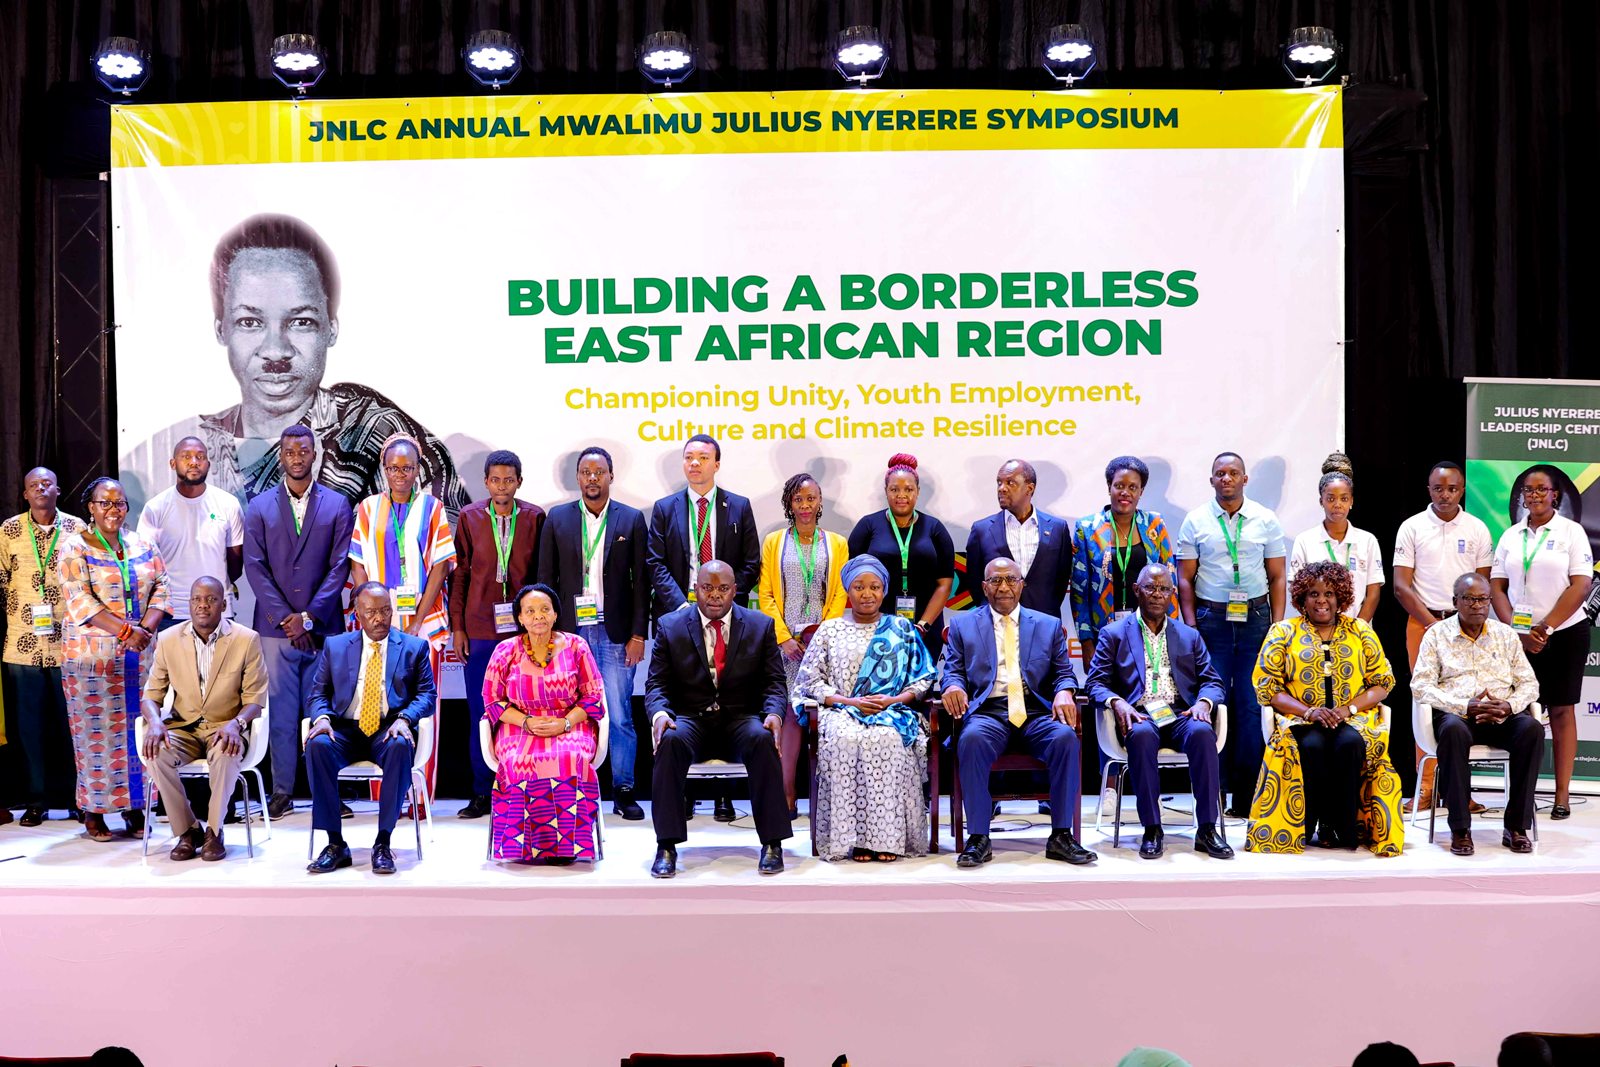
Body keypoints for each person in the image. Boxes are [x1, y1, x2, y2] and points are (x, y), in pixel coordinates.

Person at [119, 213, 467, 517]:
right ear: (221, 329)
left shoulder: (370, 430)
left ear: (331, 329)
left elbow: (441, 535)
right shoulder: (194, 443)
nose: (275, 351)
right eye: (250, 322)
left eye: (300, 322)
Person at [941, 557, 1096, 868]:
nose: (1004, 587)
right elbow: (953, 671)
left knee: (1065, 738)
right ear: (983, 588)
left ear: (1022, 584)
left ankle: (1062, 835)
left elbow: (1064, 673)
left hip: (1035, 711)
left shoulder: (1048, 625)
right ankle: (979, 838)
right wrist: (953, 687)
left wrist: (1065, 690)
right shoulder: (962, 624)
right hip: (989, 711)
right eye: (996, 581)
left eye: (1011, 580)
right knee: (970, 740)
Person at [646, 561, 791, 877]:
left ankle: (772, 843)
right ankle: (667, 846)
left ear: (734, 590)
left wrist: (774, 715)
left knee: (762, 737)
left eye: (723, 588)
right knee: (669, 740)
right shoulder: (671, 626)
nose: (715, 595)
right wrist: (659, 714)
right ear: (696, 589)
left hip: (739, 719)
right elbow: (657, 683)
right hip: (691, 720)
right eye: (707, 588)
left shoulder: (760, 625)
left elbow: (774, 682)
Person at [1249, 560, 1402, 855]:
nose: (1322, 601)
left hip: (1353, 719)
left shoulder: (1360, 630)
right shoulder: (1283, 632)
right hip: (1300, 719)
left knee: (1349, 744)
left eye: (1329, 594)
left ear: (1340, 597)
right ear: (1302, 599)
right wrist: (1308, 712)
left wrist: (1348, 710)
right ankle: (1304, 825)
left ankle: (1340, 827)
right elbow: (1267, 686)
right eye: (1314, 594)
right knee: (1313, 745)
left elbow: (1383, 682)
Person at [242, 425, 354, 818]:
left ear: (314, 454)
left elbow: (340, 567)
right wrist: (288, 619)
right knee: (281, 714)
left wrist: (308, 617)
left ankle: (327, 793)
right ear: (281, 455)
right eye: (289, 451)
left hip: (323, 628)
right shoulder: (258, 507)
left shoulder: (338, 505)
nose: (296, 457)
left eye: (303, 451)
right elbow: (254, 569)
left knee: (325, 713)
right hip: (275, 629)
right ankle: (282, 793)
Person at [795, 554, 936, 861]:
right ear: (848, 590)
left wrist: (894, 701)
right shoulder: (830, 630)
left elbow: (924, 678)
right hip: (842, 712)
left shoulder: (901, 628)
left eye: (874, 587)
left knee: (885, 739)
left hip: (892, 711)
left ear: (884, 590)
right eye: (859, 587)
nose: (867, 593)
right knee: (846, 741)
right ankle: (855, 839)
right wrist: (849, 701)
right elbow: (809, 682)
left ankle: (887, 840)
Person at [1086, 564, 1233, 859]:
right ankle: (1152, 828)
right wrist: (1118, 702)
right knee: (1140, 736)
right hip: (1138, 713)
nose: (1157, 594)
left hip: (1180, 714)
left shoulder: (1188, 635)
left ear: (1172, 595)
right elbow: (1095, 683)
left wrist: (1203, 704)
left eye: (1164, 589)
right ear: (1137, 591)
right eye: (1150, 588)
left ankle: (1206, 829)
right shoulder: (1114, 633)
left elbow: (1212, 682)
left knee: (1203, 733)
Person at [537, 446, 650, 821]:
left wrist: (638, 633)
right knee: (567, 709)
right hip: (570, 632)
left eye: (599, 472)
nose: (592, 478)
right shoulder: (558, 518)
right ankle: (571, 785)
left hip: (616, 632)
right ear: (578, 478)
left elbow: (641, 582)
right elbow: (546, 582)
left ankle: (623, 789)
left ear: (610, 477)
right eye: (586, 472)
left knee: (618, 715)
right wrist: (547, 635)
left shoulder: (631, 519)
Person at [56, 478, 171, 842]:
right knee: (96, 738)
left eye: (119, 503)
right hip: (92, 663)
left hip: (139, 660)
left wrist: (147, 630)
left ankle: (135, 808)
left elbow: (162, 586)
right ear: (90, 507)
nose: (113, 510)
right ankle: (93, 811)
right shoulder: (74, 547)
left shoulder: (141, 543)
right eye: (104, 503)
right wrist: (126, 632)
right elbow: (80, 602)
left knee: (139, 735)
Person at [1175, 451, 1287, 818]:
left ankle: (1249, 795)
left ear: (1244, 479)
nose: (1227, 479)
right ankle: (1215, 794)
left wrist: (1277, 626)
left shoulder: (1265, 520)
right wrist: (1191, 625)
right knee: (1214, 704)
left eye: (1233, 473)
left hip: (1255, 617)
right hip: (1211, 618)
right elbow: (1184, 579)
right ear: (1211, 481)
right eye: (1220, 473)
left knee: (1252, 705)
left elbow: (1277, 577)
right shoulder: (1196, 520)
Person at [1071, 455, 1179, 816]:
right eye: (1120, 485)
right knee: (1110, 702)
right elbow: (1081, 589)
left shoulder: (1155, 526)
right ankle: (1112, 785)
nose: (1125, 493)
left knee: (1150, 694)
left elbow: (1168, 582)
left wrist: (1172, 635)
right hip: (1107, 633)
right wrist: (1087, 639)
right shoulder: (1088, 528)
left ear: (1142, 491)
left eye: (1133, 487)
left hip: (1150, 630)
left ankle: (1151, 785)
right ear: (1109, 487)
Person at [304, 582, 437, 875]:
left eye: (385, 611)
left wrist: (404, 719)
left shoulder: (414, 648)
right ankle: (335, 844)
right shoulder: (336, 646)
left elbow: (428, 696)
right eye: (372, 612)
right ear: (358, 616)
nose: (380, 619)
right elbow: (317, 693)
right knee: (317, 746)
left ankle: (383, 842)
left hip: (387, 729)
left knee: (401, 745)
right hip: (345, 730)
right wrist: (323, 719)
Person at [348, 433, 455, 795]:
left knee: (422, 707)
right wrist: (369, 614)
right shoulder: (367, 508)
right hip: (376, 625)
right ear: (384, 467)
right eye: (393, 467)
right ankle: (384, 794)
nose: (400, 474)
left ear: (417, 468)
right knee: (378, 703)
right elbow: (358, 563)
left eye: (407, 467)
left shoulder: (433, 507)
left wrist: (415, 620)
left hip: (422, 624)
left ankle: (421, 795)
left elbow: (441, 567)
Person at [1412, 574, 1543, 854]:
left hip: (1500, 714)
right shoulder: (1436, 634)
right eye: (1469, 599)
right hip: (1458, 715)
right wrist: (1464, 706)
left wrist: (1509, 706)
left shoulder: (1505, 635)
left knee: (1532, 729)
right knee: (1453, 731)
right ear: (1455, 601)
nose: (1477, 605)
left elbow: (1529, 684)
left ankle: (1517, 827)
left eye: (1483, 599)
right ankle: (1460, 828)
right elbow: (1420, 685)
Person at [1489, 464, 1592, 820]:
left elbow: (1580, 585)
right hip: (1518, 638)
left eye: (1541, 490)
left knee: (1561, 711)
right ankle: (1523, 794)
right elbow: (1496, 587)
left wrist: (1544, 629)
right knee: (1521, 714)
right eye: (1527, 491)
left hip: (1563, 634)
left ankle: (1562, 795)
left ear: (1555, 495)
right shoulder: (1510, 536)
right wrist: (1515, 631)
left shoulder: (1571, 532)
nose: (1533, 496)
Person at [138, 577, 268, 861]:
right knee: (156, 752)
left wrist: (236, 724)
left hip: (226, 728)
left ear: (223, 604)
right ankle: (187, 831)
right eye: (196, 599)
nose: (202, 605)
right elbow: (151, 695)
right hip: (183, 727)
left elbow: (256, 700)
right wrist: (156, 723)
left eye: (210, 600)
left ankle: (214, 831)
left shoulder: (246, 640)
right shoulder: (170, 639)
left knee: (225, 752)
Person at [1391, 460, 1495, 812]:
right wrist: (1433, 623)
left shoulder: (1478, 528)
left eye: (1452, 488)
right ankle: (1424, 788)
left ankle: (1459, 791)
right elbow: (1401, 586)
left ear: (1462, 489)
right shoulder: (1412, 527)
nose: (1445, 495)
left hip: (1468, 627)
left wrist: (1458, 623)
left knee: (1465, 703)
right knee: (1425, 701)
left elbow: (1481, 586)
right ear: (1429, 489)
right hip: (1423, 624)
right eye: (1438, 488)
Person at [481, 583, 606, 863]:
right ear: (520, 618)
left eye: (544, 610)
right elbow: (491, 700)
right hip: (520, 725)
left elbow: (594, 697)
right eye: (530, 611)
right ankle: (521, 847)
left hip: (570, 724)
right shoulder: (505, 651)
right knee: (516, 761)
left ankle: (567, 847)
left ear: (555, 614)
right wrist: (526, 722)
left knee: (570, 757)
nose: (538, 616)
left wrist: (564, 724)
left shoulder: (577, 646)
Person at [449, 450, 543, 820]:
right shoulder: (471, 518)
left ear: (519, 481)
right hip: (480, 630)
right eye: (495, 480)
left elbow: (542, 576)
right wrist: (458, 626)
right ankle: (481, 792)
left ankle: (524, 787)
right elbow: (460, 577)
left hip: (524, 632)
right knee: (482, 713)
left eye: (509, 479)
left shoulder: (536, 518)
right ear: (486, 482)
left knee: (525, 710)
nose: (502, 486)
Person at [0, 467, 87, 825]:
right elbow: (3, 581)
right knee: (29, 728)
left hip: (69, 644)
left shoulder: (77, 529)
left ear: (58, 489)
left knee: (72, 725)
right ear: (24, 494)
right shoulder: (8, 531)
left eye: (47, 483)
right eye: (34, 485)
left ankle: (77, 799)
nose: (41, 489)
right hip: (22, 646)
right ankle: (36, 799)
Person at [759, 472, 849, 815]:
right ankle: (786, 790)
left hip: (823, 646)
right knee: (787, 717)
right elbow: (765, 594)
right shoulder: (774, 542)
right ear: (789, 504)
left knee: (823, 717)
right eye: (798, 499)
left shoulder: (838, 543)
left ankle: (827, 795)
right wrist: (784, 638)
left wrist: (820, 637)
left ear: (820, 502)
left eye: (811, 499)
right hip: (786, 648)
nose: (805, 506)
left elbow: (841, 592)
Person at [847, 453, 955, 664]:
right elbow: (853, 580)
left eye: (908, 489)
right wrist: (871, 619)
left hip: (925, 627)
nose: (901, 495)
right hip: (875, 626)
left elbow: (944, 584)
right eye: (894, 489)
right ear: (886, 491)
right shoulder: (868, 527)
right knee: (879, 687)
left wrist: (923, 625)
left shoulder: (935, 529)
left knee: (918, 688)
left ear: (918, 492)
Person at [647, 433, 760, 617]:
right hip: (677, 611)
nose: (694, 463)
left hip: (728, 611)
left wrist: (724, 598)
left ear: (717, 465)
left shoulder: (739, 507)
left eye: (703, 458)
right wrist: (679, 604)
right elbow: (655, 562)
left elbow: (751, 563)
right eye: (689, 457)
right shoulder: (664, 509)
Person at [136, 437, 243, 627]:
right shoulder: (155, 508)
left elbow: (235, 564)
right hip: (171, 611)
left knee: (221, 658)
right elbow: (145, 564)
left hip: (218, 610)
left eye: (200, 457)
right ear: (173, 463)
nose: (194, 462)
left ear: (208, 464)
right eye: (186, 456)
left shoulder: (228, 504)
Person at [965, 459, 1073, 616]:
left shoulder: (1058, 528)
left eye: (1010, 482)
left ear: (1029, 488)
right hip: (996, 624)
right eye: (999, 483)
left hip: (1044, 623)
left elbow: (1061, 581)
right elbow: (975, 582)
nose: (1002, 488)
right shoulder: (981, 530)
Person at [1287, 463, 1384, 621]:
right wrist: (1317, 623)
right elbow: (1296, 590)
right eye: (1331, 498)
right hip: (1315, 628)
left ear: (1351, 501)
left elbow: (1373, 592)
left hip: (1356, 629)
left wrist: (1356, 628)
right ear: (1321, 501)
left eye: (1344, 498)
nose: (1337, 504)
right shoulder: (1304, 540)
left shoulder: (1367, 540)